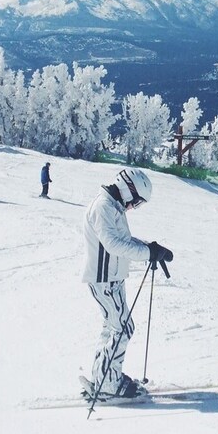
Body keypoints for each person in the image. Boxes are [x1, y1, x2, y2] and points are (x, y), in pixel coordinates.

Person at [81, 168, 173, 399]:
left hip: (111, 277)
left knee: (114, 327)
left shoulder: (113, 206)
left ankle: (104, 376)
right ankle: (108, 384)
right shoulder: (103, 207)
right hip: (105, 279)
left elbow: (123, 240)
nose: (135, 206)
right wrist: (147, 253)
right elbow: (114, 245)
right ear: (128, 189)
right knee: (122, 328)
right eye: (138, 200)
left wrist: (151, 248)